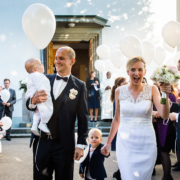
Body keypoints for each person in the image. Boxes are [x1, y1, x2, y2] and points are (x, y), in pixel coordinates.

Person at [101, 56, 171, 180]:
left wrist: (165, 94)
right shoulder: (119, 91)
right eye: (133, 69)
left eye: (140, 69)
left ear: (145, 72)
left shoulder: (152, 89)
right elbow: (117, 119)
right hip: (125, 144)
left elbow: (165, 115)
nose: (136, 73)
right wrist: (108, 143)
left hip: (146, 143)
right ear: (128, 72)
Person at [26, 46, 88, 180]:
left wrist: (81, 144)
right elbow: (29, 103)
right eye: (55, 58)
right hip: (42, 141)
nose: (57, 61)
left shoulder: (80, 86)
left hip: (64, 144)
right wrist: (32, 100)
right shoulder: (43, 79)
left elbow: (83, 117)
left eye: (61, 58)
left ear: (72, 61)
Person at [153, 84, 177, 180]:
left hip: (165, 126)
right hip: (157, 125)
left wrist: (158, 113)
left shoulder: (167, 95)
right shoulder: (156, 95)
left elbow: (169, 108)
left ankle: (167, 175)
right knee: (159, 151)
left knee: (164, 151)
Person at [25, 58, 53, 136]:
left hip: (33, 94)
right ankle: (43, 124)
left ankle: (34, 125)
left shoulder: (30, 76)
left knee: (37, 112)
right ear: (34, 69)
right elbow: (40, 85)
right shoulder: (40, 76)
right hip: (42, 96)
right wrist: (32, 101)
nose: (43, 65)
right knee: (47, 110)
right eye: (40, 64)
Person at [110, 77, 127, 180]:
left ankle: (120, 172)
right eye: (124, 83)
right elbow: (117, 117)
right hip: (121, 126)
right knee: (123, 152)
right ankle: (120, 172)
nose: (127, 85)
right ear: (118, 86)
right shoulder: (119, 96)